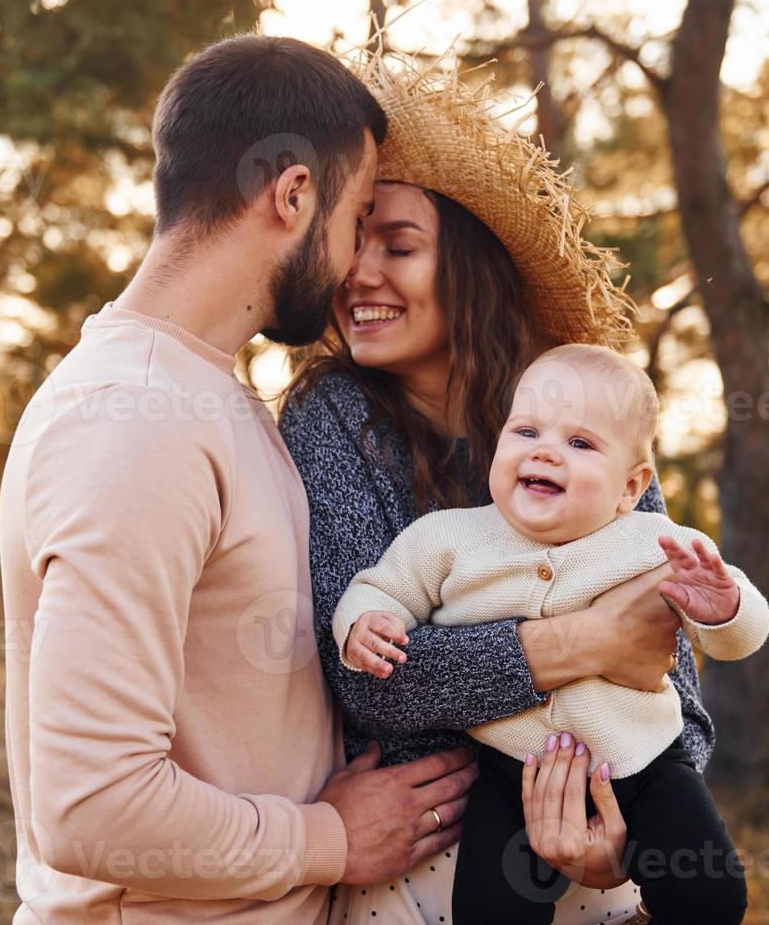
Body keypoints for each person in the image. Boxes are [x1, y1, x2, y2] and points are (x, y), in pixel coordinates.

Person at [0, 34, 478, 924]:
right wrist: (328, 841)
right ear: (293, 194)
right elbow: (89, 807)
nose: (350, 261)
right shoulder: (136, 423)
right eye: (356, 214)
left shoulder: (205, 397)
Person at [279, 49, 719, 924]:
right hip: (422, 882)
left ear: (469, 266)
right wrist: (590, 639)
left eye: (398, 245)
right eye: (350, 240)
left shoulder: (587, 421)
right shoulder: (332, 420)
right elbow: (375, 681)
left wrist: (617, 849)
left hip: (596, 870)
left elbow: (677, 697)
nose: (360, 274)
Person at [336, 344, 769, 923]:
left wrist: (726, 608)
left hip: (643, 764)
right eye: (527, 431)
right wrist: (366, 623)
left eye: (580, 443)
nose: (545, 451)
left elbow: (732, 641)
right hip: (508, 770)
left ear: (629, 488)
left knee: (710, 895)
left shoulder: (653, 542)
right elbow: (381, 588)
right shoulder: (447, 538)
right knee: (489, 909)